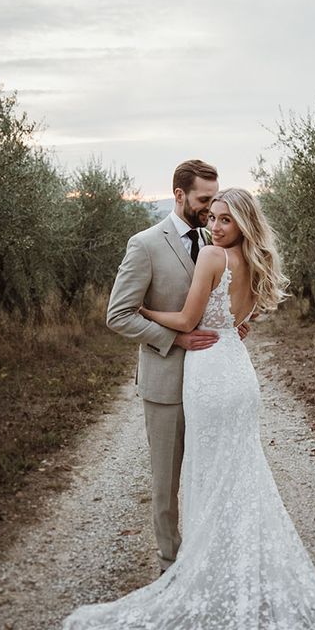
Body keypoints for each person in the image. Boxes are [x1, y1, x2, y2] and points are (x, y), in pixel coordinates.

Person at [58, 188, 315, 630]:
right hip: (237, 368)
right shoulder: (257, 262)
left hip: (209, 374)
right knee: (238, 472)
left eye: (224, 220)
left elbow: (185, 320)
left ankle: (210, 572)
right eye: (212, 218)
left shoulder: (212, 258)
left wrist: (142, 308)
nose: (214, 228)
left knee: (211, 472)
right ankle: (237, 569)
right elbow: (241, 320)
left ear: (241, 223)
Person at [105, 159, 249, 574]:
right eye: (204, 200)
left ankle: (212, 555)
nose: (210, 210)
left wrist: (235, 329)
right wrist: (175, 337)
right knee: (167, 482)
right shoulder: (145, 244)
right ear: (179, 194)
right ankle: (170, 563)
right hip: (166, 382)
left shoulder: (220, 241)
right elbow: (118, 315)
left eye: (215, 201)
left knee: (213, 473)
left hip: (215, 383)